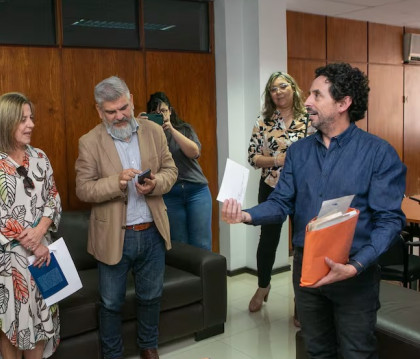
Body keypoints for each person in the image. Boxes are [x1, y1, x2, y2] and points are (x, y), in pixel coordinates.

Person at [222, 62, 406, 359]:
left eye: (317, 95)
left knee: (356, 352)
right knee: (315, 350)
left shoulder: (378, 153)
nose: (306, 101)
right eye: (309, 94)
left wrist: (357, 266)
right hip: (307, 272)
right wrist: (245, 215)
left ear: (344, 103)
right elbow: (281, 201)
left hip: (354, 274)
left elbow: (389, 221)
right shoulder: (298, 152)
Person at [75, 76, 177, 359]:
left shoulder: (154, 131)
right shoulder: (89, 142)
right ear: (99, 111)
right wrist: (115, 183)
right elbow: (83, 188)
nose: (119, 116)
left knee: (151, 297)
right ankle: (112, 354)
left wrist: (155, 184)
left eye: (123, 108)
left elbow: (171, 170)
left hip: (152, 231)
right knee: (110, 303)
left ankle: (148, 347)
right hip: (114, 236)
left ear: (131, 100)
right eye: (111, 112)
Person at [0, 92, 62, 359]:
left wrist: (41, 233)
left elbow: (53, 199)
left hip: (42, 254)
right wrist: (33, 242)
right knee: (9, 321)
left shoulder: (40, 157)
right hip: (5, 260)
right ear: (4, 121)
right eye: (22, 119)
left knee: (41, 319)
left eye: (31, 117)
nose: (31, 124)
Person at [246, 72, 310, 314]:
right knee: (268, 240)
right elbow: (252, 157)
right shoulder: (263, 122)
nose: (278, 91)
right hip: (272, 187)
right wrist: (277, 159)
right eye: (273, 89)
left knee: (303, 244)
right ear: (269, 95)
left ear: (293, 88)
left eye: (283, 86)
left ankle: (301, 299)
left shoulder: (309, 121)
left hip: (304, 190)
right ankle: (263, 286)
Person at [142, 92, 213, 251]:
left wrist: (171, 129)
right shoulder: (149, 136)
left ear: (170, 111)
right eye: (155, 113)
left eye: (164, 111)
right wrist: (142, 128)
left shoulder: (184, 129)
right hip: (170, 194)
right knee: (178, 243)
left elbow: (194, 152)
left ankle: (204, 276)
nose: (161, 115)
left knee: (202, 243)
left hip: (197, 191)